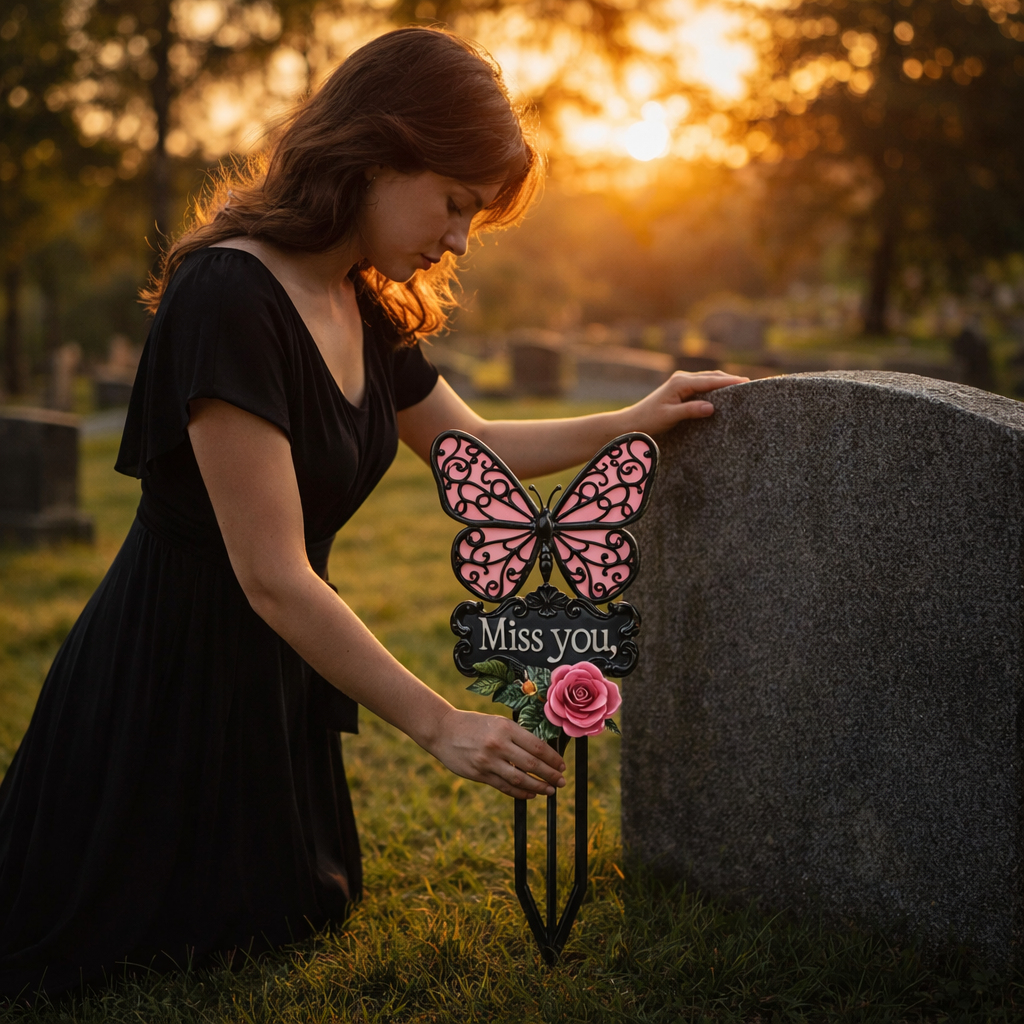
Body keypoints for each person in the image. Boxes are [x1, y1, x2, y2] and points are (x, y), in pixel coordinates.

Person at [0, 27, 744, 999]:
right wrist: (441, 725)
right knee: (126, 940)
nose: (457, 239)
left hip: (275, 691)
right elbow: (270, 574)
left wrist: (637, 419)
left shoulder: (365, 302)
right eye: (453, 203)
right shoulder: (228, 294)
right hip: (168, 680)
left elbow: (469, 447)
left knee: (287, 914)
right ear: (381, 150)